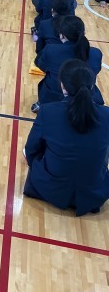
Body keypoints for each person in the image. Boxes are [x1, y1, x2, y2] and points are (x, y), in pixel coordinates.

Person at [24, 60, 109, 217]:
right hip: (93, 193)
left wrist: (37, 165)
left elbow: (31, 149)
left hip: (51, 188)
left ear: (62, 86)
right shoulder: (107, 114)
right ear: (92, 85)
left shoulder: (48, 111)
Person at [32, 16, 103, 112]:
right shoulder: (96, 53)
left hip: (54, 95)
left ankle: (42, 104)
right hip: (88, 95)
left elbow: (40, 64)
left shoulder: (51, 50)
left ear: (61, 35)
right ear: (84, 33)